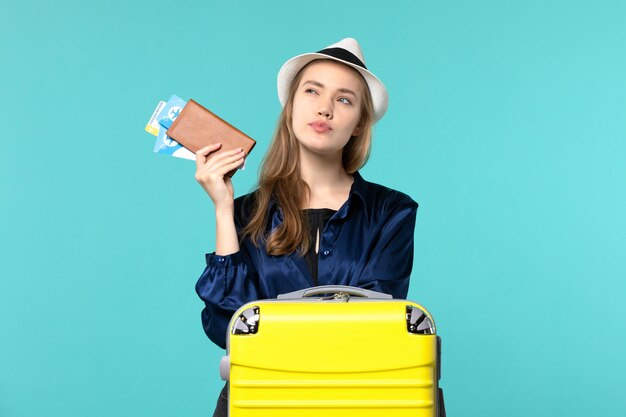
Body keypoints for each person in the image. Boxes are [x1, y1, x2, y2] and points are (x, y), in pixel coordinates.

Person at [193, 38, 418, 417]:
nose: (325, 108)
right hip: (258, 403)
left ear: (360, 124)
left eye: (344, 99)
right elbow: (229, 331)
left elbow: (374, 329)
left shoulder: (391, 212)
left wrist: (275, 329)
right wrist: (222, 209)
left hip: (357, 405)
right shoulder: (246, 213)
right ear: (291, 106)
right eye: (312, 91)